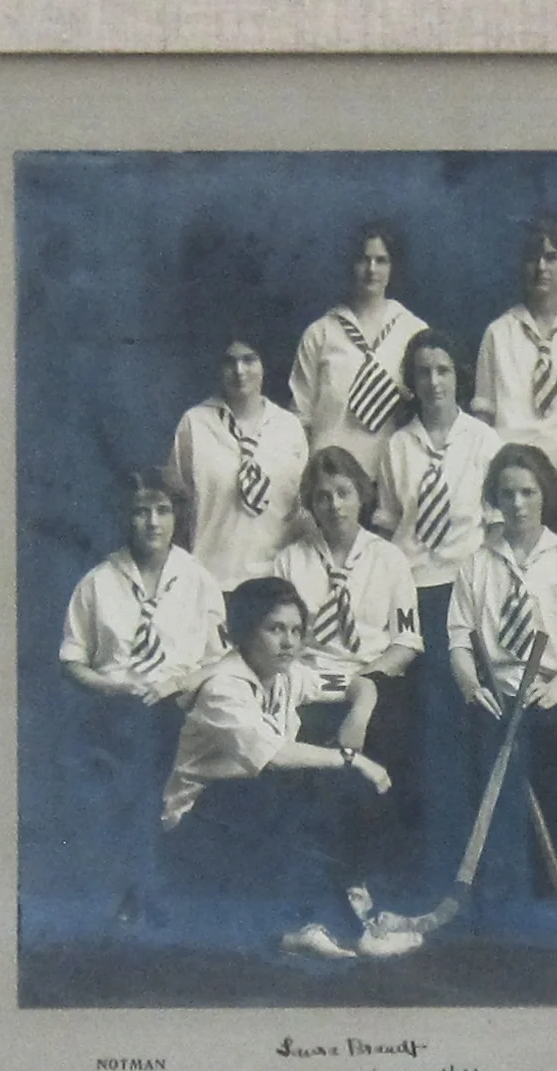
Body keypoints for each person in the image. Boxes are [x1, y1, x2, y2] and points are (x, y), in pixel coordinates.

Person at [160, 577, 411, 959]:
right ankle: (323, 927)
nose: (289, 642)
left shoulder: (289, 675)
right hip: (199, 831)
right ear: (244, 633)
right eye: (275, 629)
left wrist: (359, 714)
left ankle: (350, 914)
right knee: (289, 787)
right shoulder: (222, 687)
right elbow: (272, 755)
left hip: (252, 815)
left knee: (340, 790)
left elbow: (359, 682)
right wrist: (351, 758)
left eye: (296, 630)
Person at [58, 468, 227, 923]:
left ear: (177, 517)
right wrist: (113, 684)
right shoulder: (97, 582)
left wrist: (177, 683)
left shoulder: (198, 579)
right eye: (140, 512)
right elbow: (72, 660)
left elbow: (221, 659)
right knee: (131, 754)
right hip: (117, 705)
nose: (152, 522)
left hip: (181, 703)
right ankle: (139, 890)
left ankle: (158, 887)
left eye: (162, 510)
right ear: (124, 518)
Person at [447, 443, 557, 925]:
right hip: (496, 690)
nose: (517, 504)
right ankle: (494, 894)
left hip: (555, 689)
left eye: (527, 492)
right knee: (483, 767)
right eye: (507, 493)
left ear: (546, 497)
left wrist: (555, 692)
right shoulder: (476, 564)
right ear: (495, 497)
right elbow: (457, 640)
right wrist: (473, 688)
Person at [272, 445, 423, 824]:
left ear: (361, 495)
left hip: (372, 676)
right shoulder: (291, 560)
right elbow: (277, 637)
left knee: (386, 733)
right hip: (309, 675)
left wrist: (365, 683)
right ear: (311, 504)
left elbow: (406, 640)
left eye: (343, 493)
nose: (334, 505)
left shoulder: (389, 559)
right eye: (322, 497)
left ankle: (365, 865)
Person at [374, 328, 502, 668]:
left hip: (466, 584)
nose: (434, 382)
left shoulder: (484, 441)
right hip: (411, 587)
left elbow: (497, 526)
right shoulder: (396, 446)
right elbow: (388, 528)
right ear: (412, 381)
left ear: (457, 375)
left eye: (442, 371)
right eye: (423, 372)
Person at [167, 338, 309, 591]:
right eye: (229, 362)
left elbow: (300, 509)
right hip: (211, 579)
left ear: (265, 365)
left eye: (249, 359)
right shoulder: (195, 424)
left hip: (275, 580)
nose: (239, 371)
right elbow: (178, 505)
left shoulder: (289, 427)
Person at [289, 220, 428, 477]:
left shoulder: (414, 331)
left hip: (392, 475)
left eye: (381, 260)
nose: (371, 269)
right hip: (331, 478)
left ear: (393, 267)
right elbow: (300, 416)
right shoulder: (320, 333)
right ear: (351, 265)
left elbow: (429, 410)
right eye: (364, 260)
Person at [472, 214, 557, 467]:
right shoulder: (498, 334)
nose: (541, 267)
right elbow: (483, 418)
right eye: (533, 258)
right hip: (513, 469)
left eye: (551, 257)